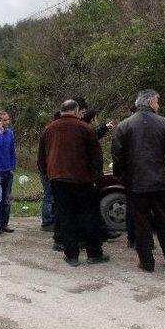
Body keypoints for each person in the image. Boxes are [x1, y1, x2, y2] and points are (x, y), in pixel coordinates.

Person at [112, 89, 165, 272]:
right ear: (149, 102)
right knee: (164, 220)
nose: (158, 105)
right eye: (157, 102)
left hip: (136, 182)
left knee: (141, 222)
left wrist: (121, 175)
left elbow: (117, 154)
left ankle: (147, 262)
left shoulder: (124, 126)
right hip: (159, 182)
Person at [38, 99, 108, 267]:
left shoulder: (49, 129)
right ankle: (94, 253)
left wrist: (48, 175)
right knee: (89, 215)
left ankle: (71, 256)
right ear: (76, 112)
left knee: (66, 216)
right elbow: (96, 157)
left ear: (61, 111)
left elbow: (41, 158)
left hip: (58, 179)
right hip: (82, 179)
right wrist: (95, 177)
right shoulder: (86, 128)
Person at [39, 111, 61, 232]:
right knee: (49, 197)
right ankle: (47, 221)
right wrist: (46, 171)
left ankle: (51, 220)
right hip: (49, 170)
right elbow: (44, 154)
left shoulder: (50, 131)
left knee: (52, 197)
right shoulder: (50, 132)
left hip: (50, 169)